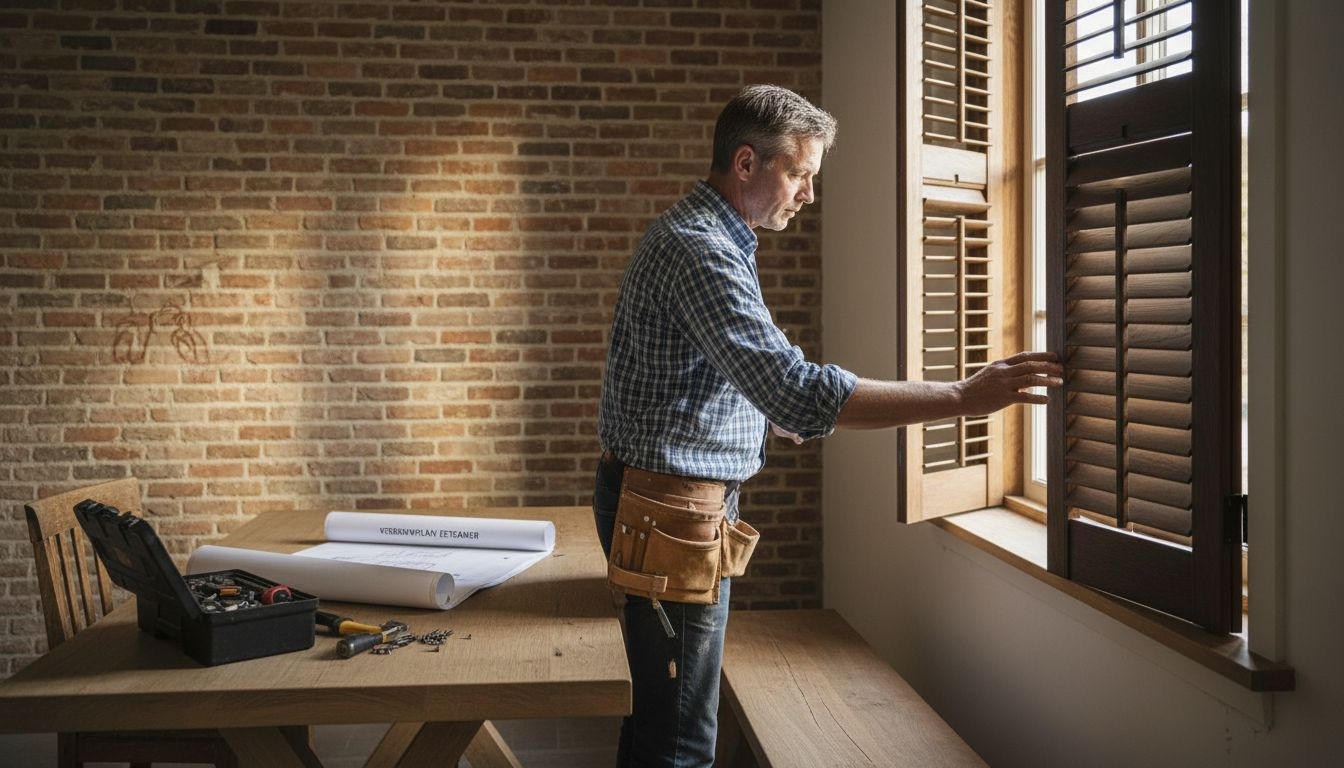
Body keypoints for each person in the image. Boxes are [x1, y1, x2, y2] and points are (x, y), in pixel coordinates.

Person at [593, 84, 1062, 767]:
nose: (808, 194)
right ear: (746, 163)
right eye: (799, 173)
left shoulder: (707, 235)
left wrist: (766, 407)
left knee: (659, 722)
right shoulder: (703, 250)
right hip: (670, 518)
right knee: (680, 742)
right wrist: (963, 395)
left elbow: (694, 371)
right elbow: (794, 388)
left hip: (666, 510)